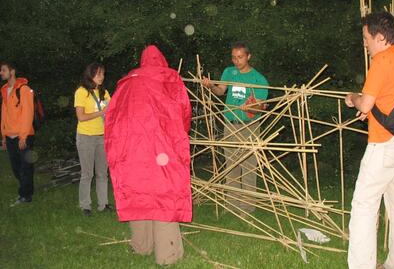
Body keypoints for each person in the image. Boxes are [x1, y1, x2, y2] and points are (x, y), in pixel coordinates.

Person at [345, 12, 394, 269]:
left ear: (380, 37)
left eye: (366, 38)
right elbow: (393, 96)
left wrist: (352, 98)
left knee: (363, 205)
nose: (365, 44)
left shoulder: (382, 60)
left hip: (385, 144)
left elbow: (365, 104)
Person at [104, 45, 192, 266]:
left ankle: (142, 245)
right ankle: (167, 254)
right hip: (161, 147)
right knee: (164, 194)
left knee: (138, 192)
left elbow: (112, 116)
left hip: (130, 149)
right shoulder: (169, 78)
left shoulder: (126, 82)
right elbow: (184, 112)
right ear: (161, 59)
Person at [202, 41, 269, 214]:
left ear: (248, 56)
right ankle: (231, 205)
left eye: (240, 57)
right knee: (231, 165)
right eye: (234, 57)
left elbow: (261, 107)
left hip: (249, 126)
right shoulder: (228, 72)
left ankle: (247, 207)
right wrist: (210, 86)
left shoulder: (259, 79)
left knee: (248, 166)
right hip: (230, 125)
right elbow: (220, 91)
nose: (236, 61)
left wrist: (252, 107)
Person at [74, 62, 112, 216]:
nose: (101, 77)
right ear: (90, 75)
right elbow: (81, 117)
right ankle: (85, 205)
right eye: (98, 74)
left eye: (102, 74)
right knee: (87, 173)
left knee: (102, 173)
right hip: (86, 137)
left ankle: (104, 204)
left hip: (102, 137)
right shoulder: (82, 92)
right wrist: (102, 112)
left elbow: (111, 112)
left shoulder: (104, 92)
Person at [1, 62, 35, 206]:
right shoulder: (4, 90)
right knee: (16, 168)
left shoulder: (23, 89)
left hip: (24, 135)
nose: (1, 73)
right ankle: (26, 190)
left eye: (3, 70)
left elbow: (28, 114)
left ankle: (25, 195)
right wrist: (3, 135)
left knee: (25, 167)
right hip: (10, 136)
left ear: (12, 71)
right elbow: (4, 114)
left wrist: (23, 137)